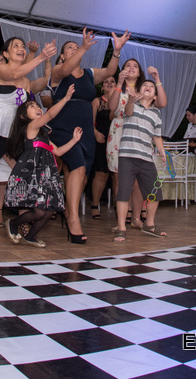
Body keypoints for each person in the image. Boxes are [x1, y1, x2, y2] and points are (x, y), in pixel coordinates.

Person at [0, 37, 55, 240]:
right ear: (5, 54)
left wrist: (48, 61)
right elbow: (15, 73)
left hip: (13, 132)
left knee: (20, 176)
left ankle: (22, 220)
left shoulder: (25, 81)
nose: (20, 48)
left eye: (22, 46)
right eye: (15, 46)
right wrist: (40, 56)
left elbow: (43, 82)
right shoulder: (1, 68)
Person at [50, 27, 129, 244]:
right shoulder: (58, 72)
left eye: (78, 47)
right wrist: (83, 48)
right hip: (64, 127)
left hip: (85, 127)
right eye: (70, 48)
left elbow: (110, 71)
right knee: (77, 166)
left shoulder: (89, 74)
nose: (75, 49)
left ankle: (68, 210)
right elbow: (66, 69)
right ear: (63, 56)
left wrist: (116, 50)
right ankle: (74, 219)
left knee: (82, 174)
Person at [4, 87, 79, 248]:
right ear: (23, 116)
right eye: (32, 106)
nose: (37, 108)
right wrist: (65, 98)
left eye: (38, 106)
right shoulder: (30, 127)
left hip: (46, 175)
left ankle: (31, 236)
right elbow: (50, 115)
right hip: (33, 174)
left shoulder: (43, 135)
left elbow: (58, 151)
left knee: (49, 210)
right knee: (39, 211)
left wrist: (74, 140)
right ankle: (13, 223)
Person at [113, 79, 169, 241]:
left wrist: (162, 152)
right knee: (123, 192)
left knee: (154, 192)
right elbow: (128, 112)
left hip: (146, 157)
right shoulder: (133, 105)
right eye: (145, 85)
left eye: (152, 87)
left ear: (154, 97)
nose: (148, 87)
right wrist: (131, 100)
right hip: (127, 156)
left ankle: (149, 225)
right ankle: (121, 228)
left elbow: (157, 136)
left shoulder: (156, 113)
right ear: (139, 90)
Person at [88, 74, 117, 219]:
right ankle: (95, 205)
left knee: (117, 175)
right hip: (101, 139)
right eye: (106, 82)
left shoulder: (119, 101)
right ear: (102, 86)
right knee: (101, 173)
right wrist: (95, 133)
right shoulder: (96, 101)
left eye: (112, 81)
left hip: (116, 140)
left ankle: (120, 207)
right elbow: (91, 121)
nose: (110, 83)